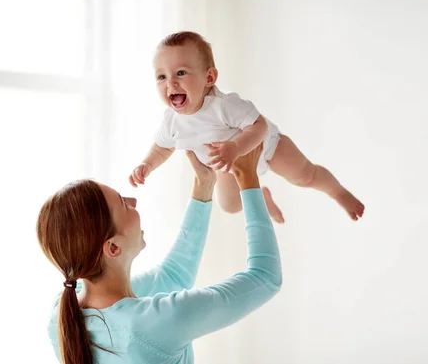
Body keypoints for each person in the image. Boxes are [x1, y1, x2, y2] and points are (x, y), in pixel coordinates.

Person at [36, 143, 282, 364]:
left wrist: (204, 185)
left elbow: (173, 277)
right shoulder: (150, 325)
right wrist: (247, 178)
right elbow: (265, 278)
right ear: (113, 247)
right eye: (123, 203)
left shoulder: (62, 315)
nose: (133, 201)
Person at [129, 31, 365, 222]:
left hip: (266, 147)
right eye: (161, 77)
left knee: (304, 175)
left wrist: (236, 147)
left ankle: (338, 192)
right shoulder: (171, 121)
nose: (171, 82)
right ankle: (262, 197)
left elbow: (259, 126)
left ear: (209, 78)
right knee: (230, 206)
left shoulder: (224, 105)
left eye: (181, 72)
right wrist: (146, 165)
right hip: (226, 165)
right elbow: (162, 147)